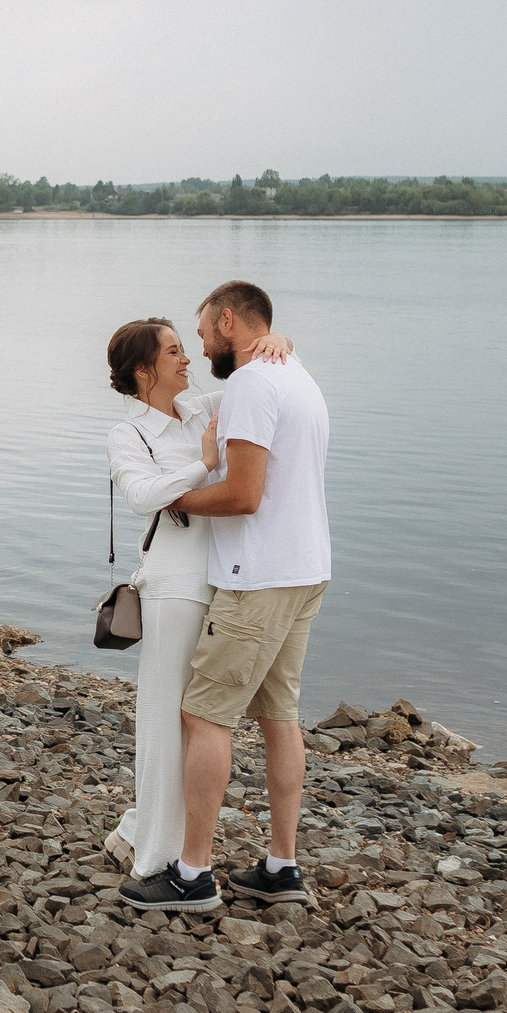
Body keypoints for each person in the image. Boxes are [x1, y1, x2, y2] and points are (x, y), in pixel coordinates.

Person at [120, 279, 330, 913]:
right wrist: (280, 339)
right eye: (180, 345)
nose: (199, 345)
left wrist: (178, 498)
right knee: (278, 714)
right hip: (308, 568)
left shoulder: (246, 385)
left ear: (232, 324)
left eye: (204, 330)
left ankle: (193, 874)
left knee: (204, 717)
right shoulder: (296, 374)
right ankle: (281, 866)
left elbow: (242, 495)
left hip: (259, 576)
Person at [101, 315, 290, 891]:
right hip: (170, 592)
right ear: (144, 370)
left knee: (201, 724)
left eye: (187, 348)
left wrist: (278, 343)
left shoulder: (200, 409)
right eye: (175, 351)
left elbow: (248, 382)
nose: (187, 359)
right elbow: (142, 498)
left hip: (221, 584)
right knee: (164, 724)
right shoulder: (127, 434)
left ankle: (161, 838)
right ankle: (154, 855)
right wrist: (204, 465)